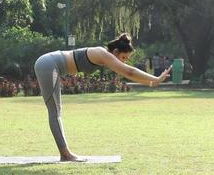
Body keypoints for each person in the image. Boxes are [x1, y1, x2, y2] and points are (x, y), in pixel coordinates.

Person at [34, 33, 172, 162]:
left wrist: (152, 82)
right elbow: (129, 71)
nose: (124, 62)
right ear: (115, 52)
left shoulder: (104, 55)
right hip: (48, 64)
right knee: (55, 112)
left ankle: (65, 154)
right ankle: (66, 154)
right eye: (123, 58)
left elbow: (128, 72)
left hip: (51, 65)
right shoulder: (103, 54)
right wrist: (155, 79)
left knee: (56, 111)